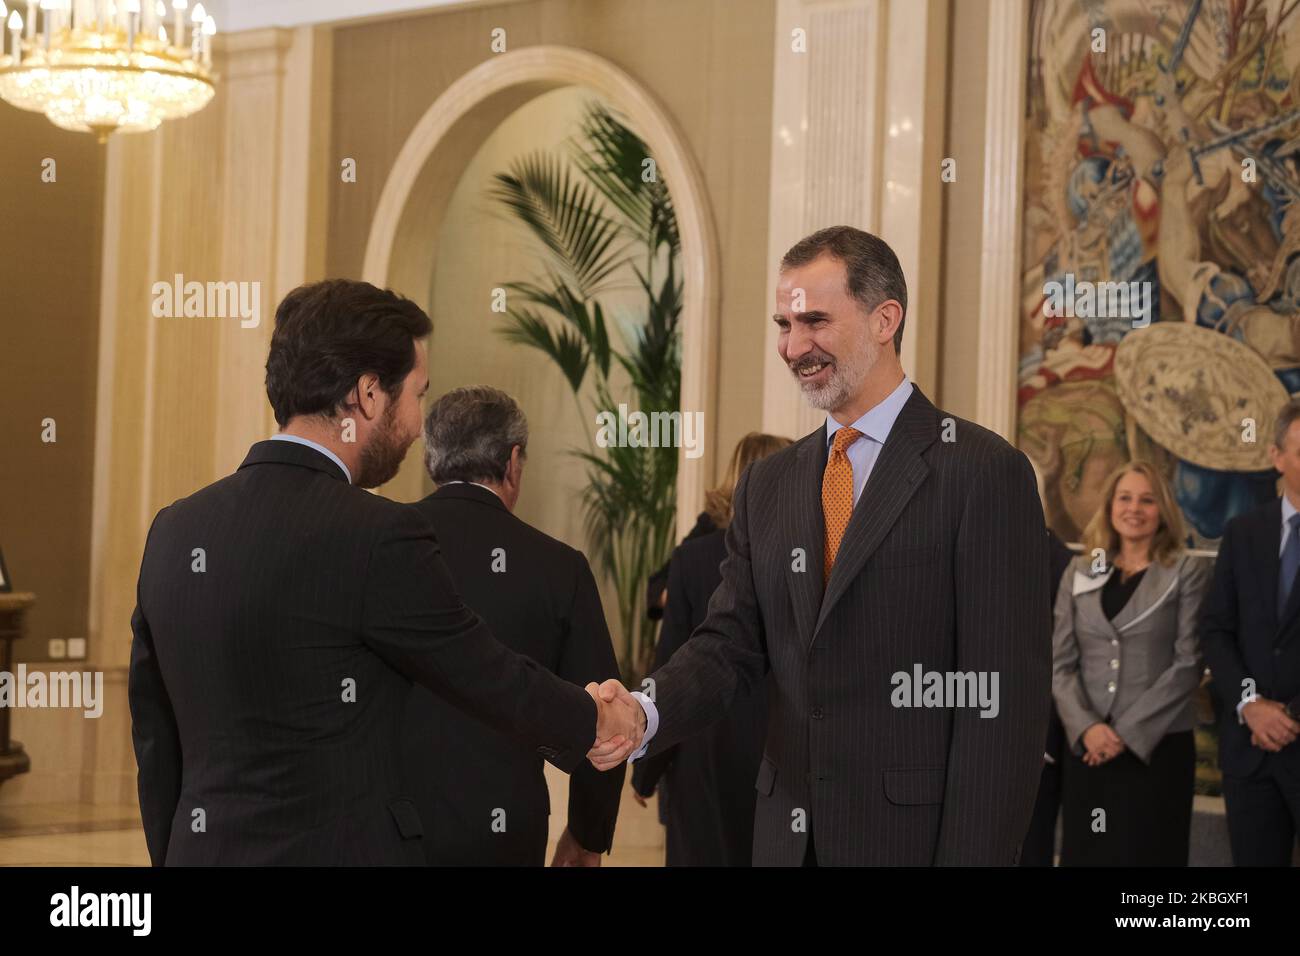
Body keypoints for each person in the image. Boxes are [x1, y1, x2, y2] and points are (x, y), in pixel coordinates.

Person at [128, 279, 637, 865]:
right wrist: (597, 720)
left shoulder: (173, 531)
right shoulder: (377, 534)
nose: (420, 423)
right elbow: (487, 675)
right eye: (417, 393)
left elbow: (155, 741)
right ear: (369, 395)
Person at [589, 225, 1052, 866]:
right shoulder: (768, 484)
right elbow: (728, 643)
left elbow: (1001, 709)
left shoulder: (981, 472)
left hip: (910, 849)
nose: (792, 345)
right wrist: (643, 715)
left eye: (814, 321)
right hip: (784, 841)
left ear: (885, 318)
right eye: (784, 323)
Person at [400, 386, 624, 866]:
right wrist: (587, 835)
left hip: (390, 821)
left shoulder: (380, 546)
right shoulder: (560, 568)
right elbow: (605, 710)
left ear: (431, 459)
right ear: (514, 461)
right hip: (504, 827)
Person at [631, 432, 792, 865]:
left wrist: (645, 770)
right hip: (783, 751)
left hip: (703, 751)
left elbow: (670, 663)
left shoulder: (693, 558)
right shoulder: (805, 557)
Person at [1052, 460, 1207, 866]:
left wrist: (1122, 734)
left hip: (1156, 750)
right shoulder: (1080, 570)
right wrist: (1087, 728)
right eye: (1125, 498)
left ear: (1163, 510)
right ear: (1110, 506)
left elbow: (1188, 662)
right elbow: (1060, 662)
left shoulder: (1185, 571)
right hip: (1089, 750)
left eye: (1147, 499)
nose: (1134, 508)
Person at [1201, 398, 1300, 866]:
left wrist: (1288, 716)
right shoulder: (1242, 532)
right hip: (1250, 753)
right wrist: (1251, 706)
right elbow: (1216, 629)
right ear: (1276, 457)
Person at [1019, 528, 1076, 866]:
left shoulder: (1060, 562)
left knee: (1031, 846)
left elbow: (1065, 656)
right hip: (964, 723)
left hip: (1038, 738)